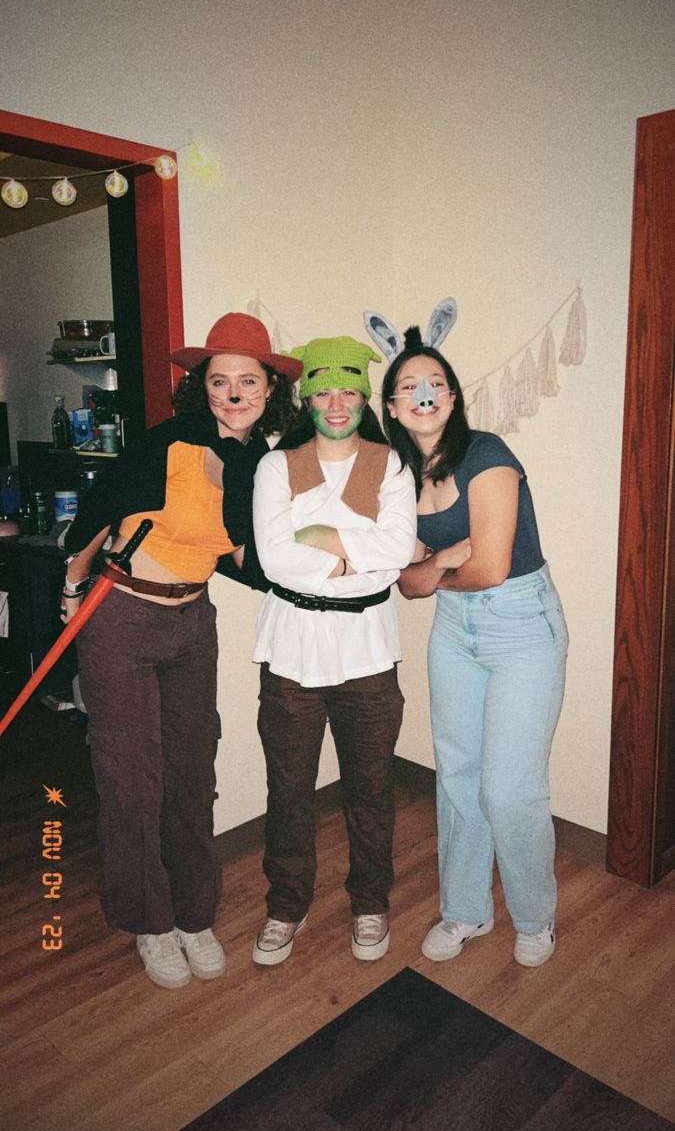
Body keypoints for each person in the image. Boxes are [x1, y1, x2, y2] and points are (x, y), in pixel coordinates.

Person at [61, 314, 301, 988]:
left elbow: (239, 556)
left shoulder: (260, 461)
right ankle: (149, 922)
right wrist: (72, 590)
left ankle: (194, 914)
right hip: (121, 617)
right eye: (219, 380)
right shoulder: (168, 444)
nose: (233, 392)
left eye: (247, 381)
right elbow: (97, 517)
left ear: (267, 390)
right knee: (131, 778)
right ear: (203, 388)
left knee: (193, 771)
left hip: (192, 623)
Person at [371, 302, 568, 968]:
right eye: (408, 388)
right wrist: (444, 559)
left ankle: (536, 917)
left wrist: (445, 564)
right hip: (456, 631)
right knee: (457, 776)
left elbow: (487, 565)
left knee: (508, 789)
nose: (423, 395)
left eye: (435, 384)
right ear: (392, 408)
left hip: (520, 624)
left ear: (452, 398)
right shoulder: (394, 479)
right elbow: (405, 581)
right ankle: (465, 913)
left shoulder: (488, 455)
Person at [250, 336, 417, 965]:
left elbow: (398, 553)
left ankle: (370, 902)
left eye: (349, 388)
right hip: (292, 650)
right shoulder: (277, 466)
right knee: (288, 789)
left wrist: (318, 536)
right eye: (324, 390)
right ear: (307, 398)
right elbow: (274, 560)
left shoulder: (391, 464)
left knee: (371, 787)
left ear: (363, 395)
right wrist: (355, 553)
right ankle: (285, 905)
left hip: (368, 653)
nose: (337, 402)